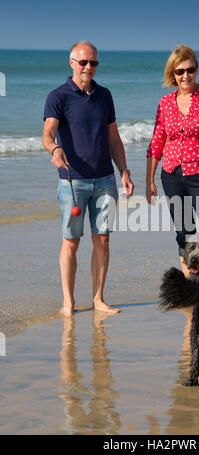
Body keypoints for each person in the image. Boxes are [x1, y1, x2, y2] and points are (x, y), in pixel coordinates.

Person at [42, 41, 134, 317]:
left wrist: (124, 171)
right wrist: (56, 149)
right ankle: (68, 302)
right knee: (71, 241)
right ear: (71, 62)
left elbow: (114, 138)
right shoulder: (58, 96)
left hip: (105, 179)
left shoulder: (104, 95)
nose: (88, 67)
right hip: (73, 181)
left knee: (103, 240)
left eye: (93, 62)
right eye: (83, 62)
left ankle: (98, 299)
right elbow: (48, 134)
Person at [146, 45, 199, 278]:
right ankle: (192, 286)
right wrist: (149, 180)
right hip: (172, 176)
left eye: (190, 70)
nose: (185, 76)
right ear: (172, 74)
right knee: (185, 234)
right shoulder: (165, 103)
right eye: (179, 71)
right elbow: (156, 143)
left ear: (196, 70)